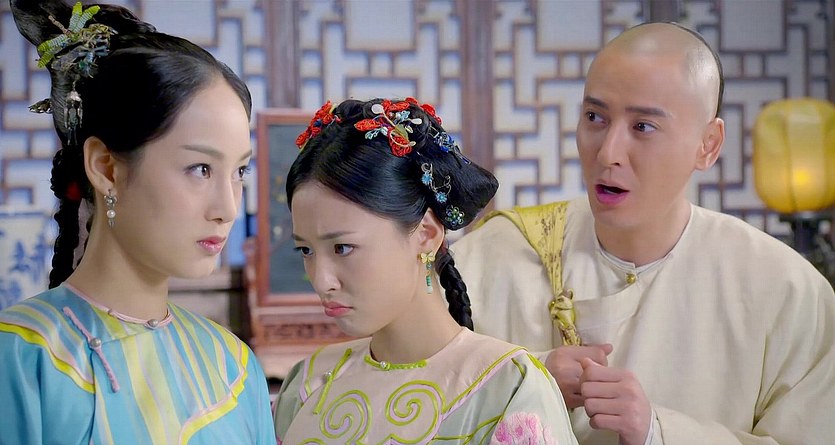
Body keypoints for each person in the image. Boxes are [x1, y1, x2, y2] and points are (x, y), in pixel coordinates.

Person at [452, 22, 835, 445]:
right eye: (595, 118)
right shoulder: (496, 255)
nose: (608, 152)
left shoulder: (785, 289)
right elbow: (408, 394)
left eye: (643, 127)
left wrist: (657, 432)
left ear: (708, 145)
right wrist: (525, 381)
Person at [0, 1, 275, 443]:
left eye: (239, 171)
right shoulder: (21, 357)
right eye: (200, 169)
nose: (228, 208)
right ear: (106, 168)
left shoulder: (233, 366)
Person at [272, 97, 579, 444]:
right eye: (306, 250)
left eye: (342, 248)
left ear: (427, 235)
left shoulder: (508, 389)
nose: (321, 280)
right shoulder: (307, 385)